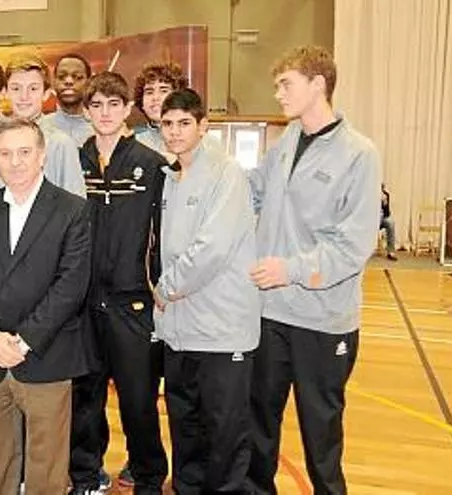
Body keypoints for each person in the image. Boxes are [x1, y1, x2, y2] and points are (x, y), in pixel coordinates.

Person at [247, 45, 381, 495]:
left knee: (321, 435)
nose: (278, 94)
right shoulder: (287, 141)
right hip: (270, 313)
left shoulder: (359, 154)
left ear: (318, 85)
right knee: (258, 423)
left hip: (323, 321)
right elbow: (254, 191)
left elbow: (354, 245)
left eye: (286, 84)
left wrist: (290, 269)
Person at [0, 118, 92, 494]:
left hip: (46, 355)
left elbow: (70, 286)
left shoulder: (72, 210)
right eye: (6, 153)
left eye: (24, 152)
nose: (15, 162)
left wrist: (24, 341)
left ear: (42, 155)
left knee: (47, 466)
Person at [154, 88, 259, 493]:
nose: (175, 131)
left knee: (224, 433)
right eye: (167, 124)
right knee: (186, 428)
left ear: (203, 126)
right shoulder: (170, 177)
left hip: (221, 331)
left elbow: (212, 248)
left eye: (184, 123)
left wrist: (166, 288)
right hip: (180, 332)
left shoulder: (226, 173)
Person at [72, 72, 167, 495]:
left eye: (114, 104)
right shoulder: (75, 161)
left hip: (134, 303)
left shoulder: (153, 164)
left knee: (138, 399)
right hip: (84, 302)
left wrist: (159, 287)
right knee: (85, 396)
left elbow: (164, 233)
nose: (106, 113)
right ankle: (86, 474)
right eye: (97, 105)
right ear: (87, 111)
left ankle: (148, 477)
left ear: (128, 108)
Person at [5, 54, 86, 197]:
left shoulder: (60, 144)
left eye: (33, 89)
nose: (24, 97)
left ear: (46, 94)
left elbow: (77, 202)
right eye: (16, 88)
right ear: (5, 93)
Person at [133, 62, 190, 158]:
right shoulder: (134, 141)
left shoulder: (195, 138)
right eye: (149, 92)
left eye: (164, 91)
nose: (155, 97)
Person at [42, 53, 94, 146]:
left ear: (89, 82)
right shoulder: (40, 127)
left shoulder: (101, 127)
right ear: (54, 82)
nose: (68, 81)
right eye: (61, 77)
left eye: (77, 77)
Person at [380, 183, 397, 260]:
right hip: (371, 219)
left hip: (382, 218)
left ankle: (391, 252)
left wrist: (385, 203)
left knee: (390, 223)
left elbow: (387, 214)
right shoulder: (368, 195)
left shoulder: (386, 195)